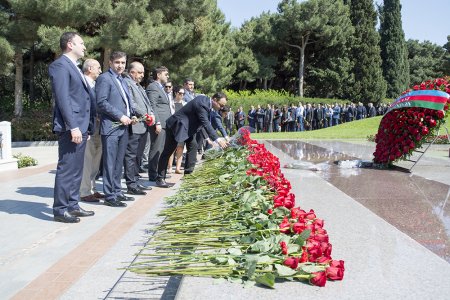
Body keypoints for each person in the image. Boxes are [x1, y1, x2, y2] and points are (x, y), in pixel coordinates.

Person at [49, 32, 96, 223]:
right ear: (70, 44)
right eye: (81, 43)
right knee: (67, 168)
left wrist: (86, 128)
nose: (84, 47)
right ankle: (60, 210)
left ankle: (72, 205)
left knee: (77, 169)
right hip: (72, 128)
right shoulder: (60, 65)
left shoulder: (75, 67)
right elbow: (63, 99)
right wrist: (73, 127)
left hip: (82, 127)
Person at [155, 93, 230, 188]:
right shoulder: (202, 104)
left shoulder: (208, 104)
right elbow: (206, 123)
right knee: (168, 151)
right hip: (177, 126)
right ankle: (160, 178)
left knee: (193, 146)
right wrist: (218, 140)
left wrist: (216, 137)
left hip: (188, 128)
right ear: (214, 99)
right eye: (221, 105)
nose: (221, 108)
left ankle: (188, 175)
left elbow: (206, 124)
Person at [96, 51, 134, 208]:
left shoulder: (123, 80)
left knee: (119, 162)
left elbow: (125, 101)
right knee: (110, 163)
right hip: (111, 126)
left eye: (123, 63)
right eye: (117, 62)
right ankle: (110, 195)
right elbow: (101, 102)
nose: (120, 66)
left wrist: (131, 115)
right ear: (110, 63)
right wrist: (120, 116)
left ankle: (117, 191)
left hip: (124, 126)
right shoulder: (105, 79)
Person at [123, 61, 154, 195]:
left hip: (143, 125)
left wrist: (151, 114)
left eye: (142, 72)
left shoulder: (139, 86)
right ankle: (131, 184)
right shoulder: (127, 83)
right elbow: (132, 104)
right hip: (135, 126)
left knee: (138, 156)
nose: (142, 75)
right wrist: (145, 115)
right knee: (131, 156)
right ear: (131, 72)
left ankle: (135, 180)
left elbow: (147, 104)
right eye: (139, 72)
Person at [79, 58, 104, 203]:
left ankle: (93, 189)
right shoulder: (81, 84)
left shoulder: (96, 85)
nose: (100, 71)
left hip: (98, 127)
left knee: (95, 160)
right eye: (98, 68)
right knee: (87, 160)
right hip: (87, 127)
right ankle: (84, 191)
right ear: (89, 68)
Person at [146, 66, 172, 181]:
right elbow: (152, 105)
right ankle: (153, 174)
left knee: (160, 149)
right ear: (158, 75)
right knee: (156, 148)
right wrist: (157, 122)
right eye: (165, 74)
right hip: (159, 123)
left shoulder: (160, 88)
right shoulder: (153, 87)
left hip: (165, 123)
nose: (168, 76)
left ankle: (158, 172)